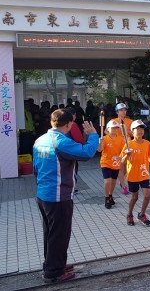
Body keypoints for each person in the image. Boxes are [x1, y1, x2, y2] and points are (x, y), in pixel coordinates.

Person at [32, 109, 99, 284]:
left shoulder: (40, 140)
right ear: (69, 124)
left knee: (51, 233)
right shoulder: (60, 142)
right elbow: (86, 153)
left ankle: (53, 264)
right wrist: (92, 135)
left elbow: (35, 168)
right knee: (59, 235)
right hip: (58, 196)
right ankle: (53, 273)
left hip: (43, 194)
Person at [121, 119, 150, 226]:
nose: (140, 131)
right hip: (133, 175)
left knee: (147, 195)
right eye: (137, 129)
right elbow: (122, 161)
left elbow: (148, 157)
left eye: (142, 129)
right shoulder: (129, 144)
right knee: (135, 197)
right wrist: (127, 155)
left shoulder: (147, 143)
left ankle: (142, 214)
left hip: (144, 174)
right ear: (132, 131)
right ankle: (129, 214)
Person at [98, 120, 126, 209]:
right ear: (108, 129)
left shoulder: (121, 139)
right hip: (105, 162)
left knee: (113, 181)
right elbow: (99, 150)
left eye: (116, 128)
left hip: (116, 163)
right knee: (107, 181)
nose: (114, 130)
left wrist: (121, 157)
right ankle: (106, 198)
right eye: (112, 128)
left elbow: (123, 151)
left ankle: (110, 195)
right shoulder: (105, 138)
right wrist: (100, 142)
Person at [112, 102, 132, 195]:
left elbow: (133, 133)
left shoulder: (130, 121)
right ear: (117, 112)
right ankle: (124, 186)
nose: (123, 112)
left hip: (127, 146)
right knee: (120, 167)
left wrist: (127, 131)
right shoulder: (113, 121)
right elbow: (106, 131)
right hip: (117, 146)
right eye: (121, 110)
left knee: (127, 167)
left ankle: (122, 180)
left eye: (124, 110)